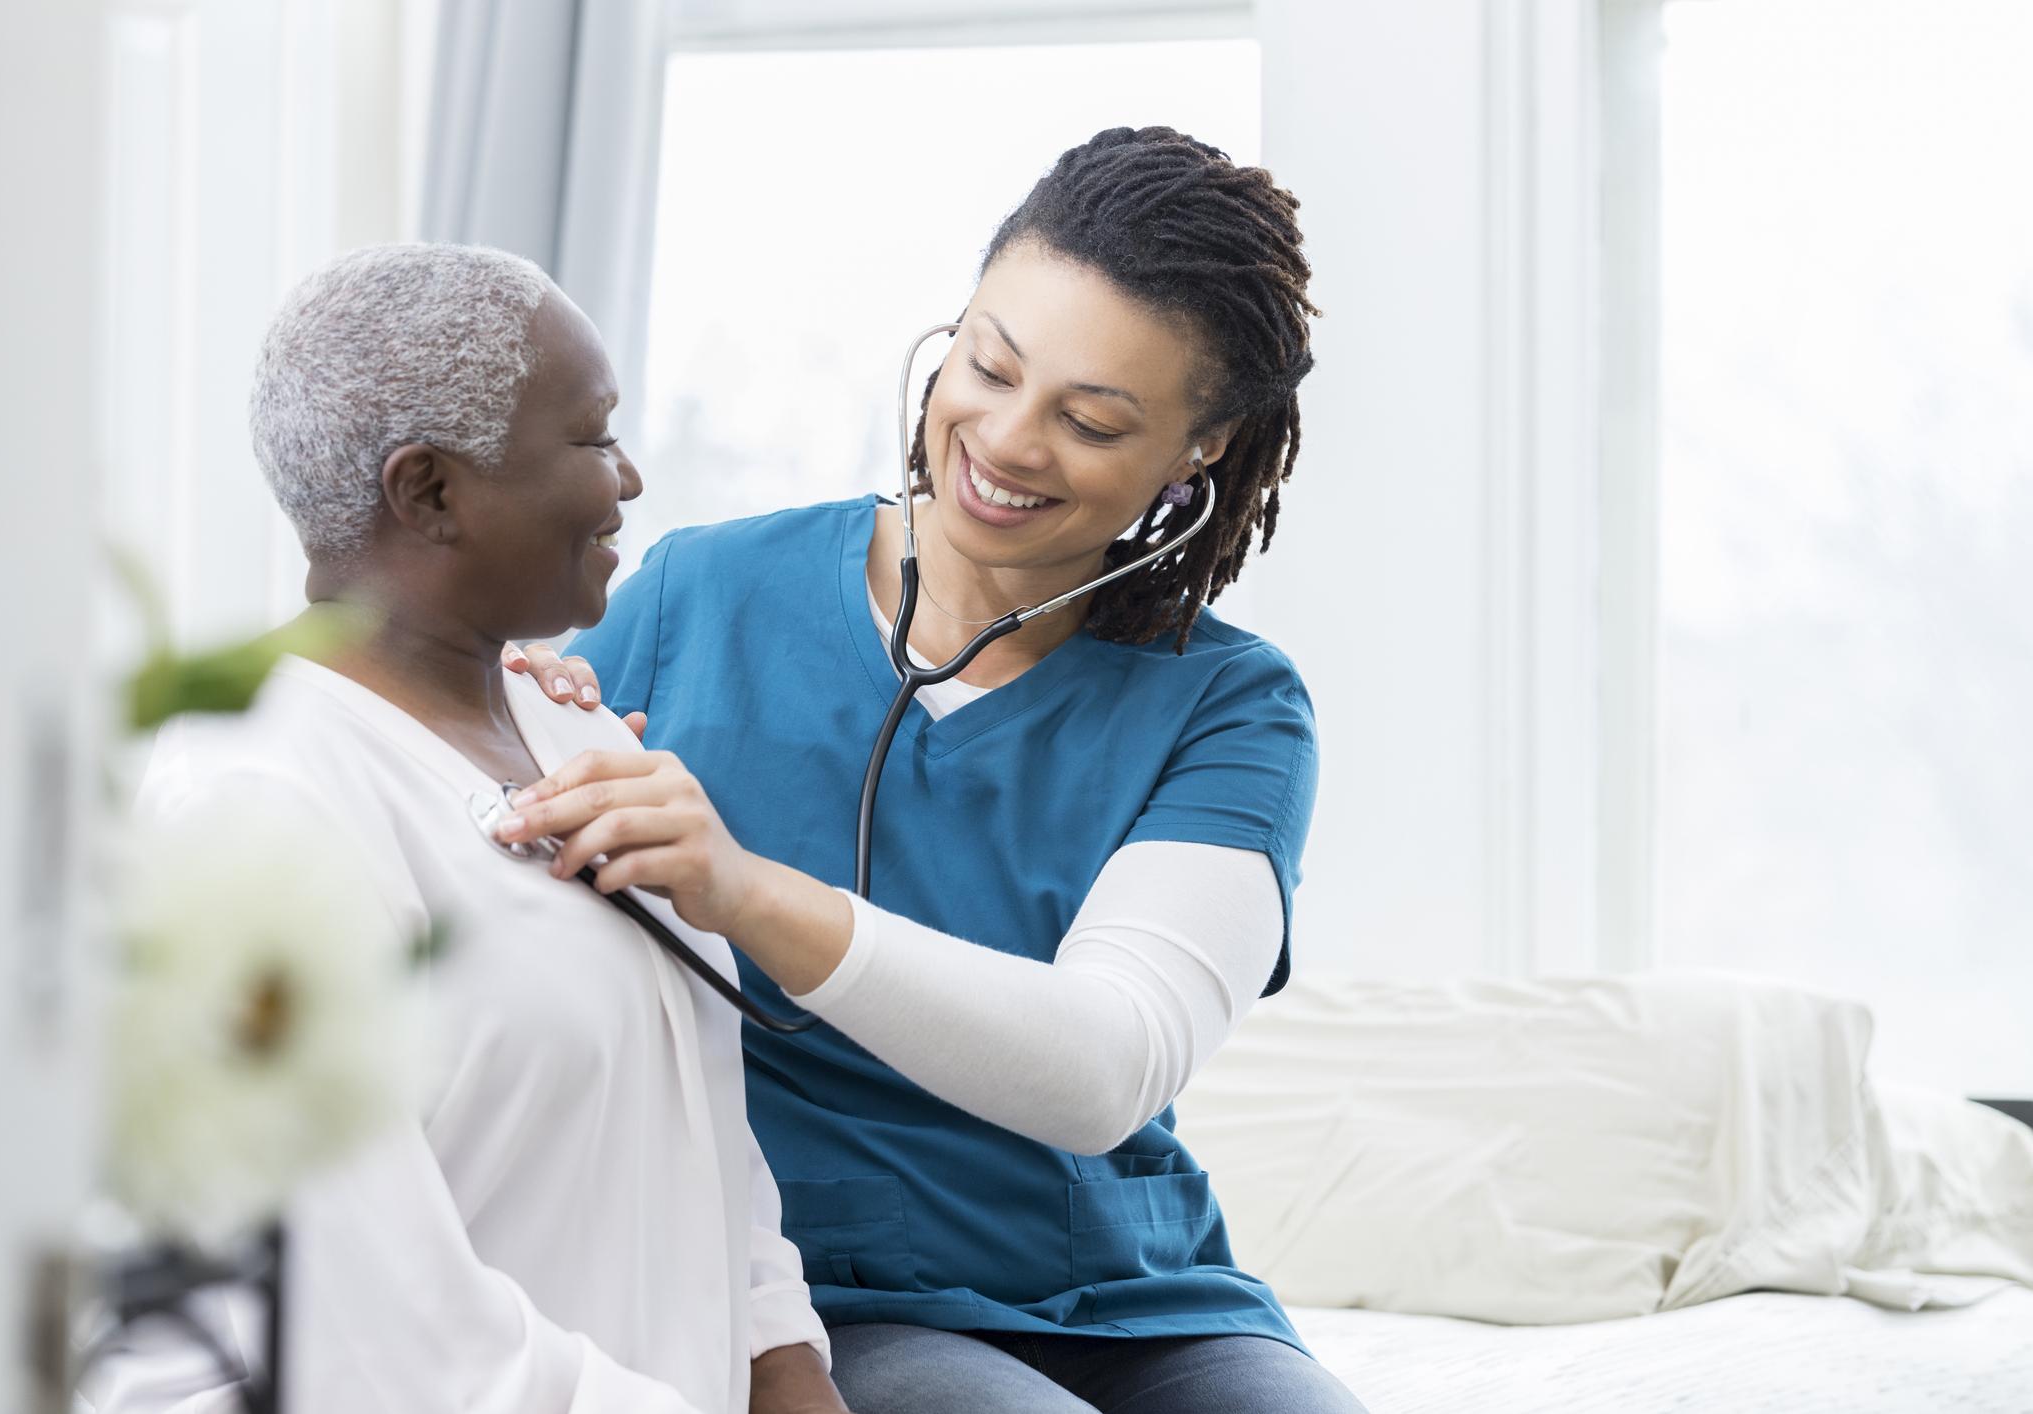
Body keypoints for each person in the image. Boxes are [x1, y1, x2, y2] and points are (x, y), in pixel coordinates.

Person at [501, 127, 1365, 1413]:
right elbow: (489, 873)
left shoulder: (1231, 706)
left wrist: (744, 891)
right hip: (832, 1298)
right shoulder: (703, 596)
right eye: (990, 363)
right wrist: (511, 712)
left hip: (1141, 1305)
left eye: (1090, 419)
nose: (1009, 441)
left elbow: (1102, 1068)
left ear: (1197, 453)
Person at [92, 245, 848, 1414]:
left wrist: (787, 1370)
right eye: (593, 437)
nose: (631, 477)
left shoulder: (579, 728)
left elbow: (696, 1133)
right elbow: (389, 1342)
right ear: (430, 490)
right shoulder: (255, 802)